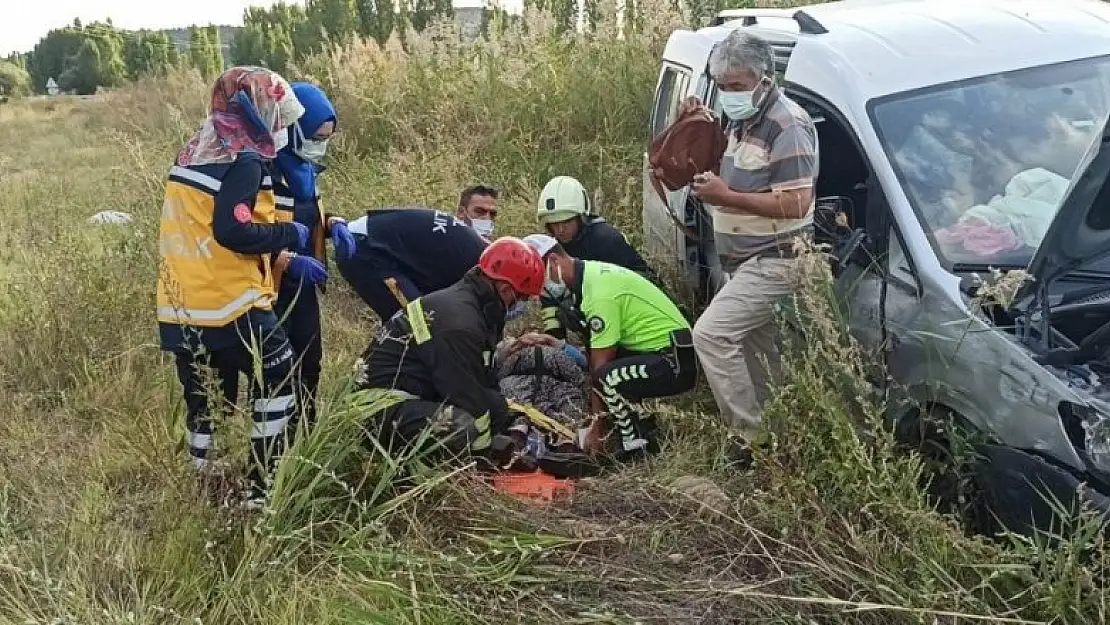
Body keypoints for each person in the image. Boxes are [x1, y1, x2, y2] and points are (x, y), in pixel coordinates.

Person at [156, 66, 314, 504]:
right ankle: (264, 491)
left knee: (208, 402)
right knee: (279, 380)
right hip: (233, 304)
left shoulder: (193, 150)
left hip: (181, 307)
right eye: (277, 113)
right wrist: (289, 235)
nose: (280, 126)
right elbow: (234, 231)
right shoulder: (243, 160)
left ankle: (209, 492)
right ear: (256, 107)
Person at [682, 31, 819, 467]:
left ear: (765, 79)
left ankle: (751, 441)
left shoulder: (788, 125)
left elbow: (797, 201)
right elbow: (724, 156)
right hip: (745, 262)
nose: (729, 95)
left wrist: (727, 198)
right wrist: (697, 121)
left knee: (711, 334)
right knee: (758, 351)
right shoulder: (742, 119)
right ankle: (782, 437)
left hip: (777, 259)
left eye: (737, 87)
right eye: (722, 86)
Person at [354, 236, 546, 463]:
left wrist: (505, 419)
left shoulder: (477, 308)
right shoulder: (460, 322)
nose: (521, 304)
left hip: (415, 391)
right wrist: (486, 458)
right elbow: (465, 394)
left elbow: (482, 377)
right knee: (461, 427)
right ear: (505, 289)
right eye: (522, 297)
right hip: (376, 409)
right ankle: (417, 477)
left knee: (495, 407)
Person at [524, 234, 697, 459]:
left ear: (554, 261)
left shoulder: (599, 295)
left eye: (538, 278)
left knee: (607, 377)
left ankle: (634, 448)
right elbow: (594, 350)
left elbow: (600, 367)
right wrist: (560, 345)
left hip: (674, 361)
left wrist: (597, 428)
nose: (540, 289)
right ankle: (640, 426)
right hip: (659, 352)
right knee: (606, 374)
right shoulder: (586, 278)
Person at [270, 81, 356, 432]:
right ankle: (276, 439)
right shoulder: (265, 171)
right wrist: (286, 259)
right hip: (271, 290)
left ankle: (305, 431)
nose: (320, 146)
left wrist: (334, 223)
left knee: (310, 362)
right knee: (277, 366)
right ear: (292, 129)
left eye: (326, 139)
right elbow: (247, 236)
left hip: (305, 286)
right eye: (315, 137)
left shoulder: (305, 171)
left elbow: (308, 212)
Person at [535, 175, 661, 341]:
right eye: (553, 224)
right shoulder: (553, 249)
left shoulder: (605, 240)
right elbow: (550, 299)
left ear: (581, 217)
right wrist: (554, 341)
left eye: (566, 222)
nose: (560, 230)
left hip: (636, 313)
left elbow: (639, 285)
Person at [335, 206, 491, 323]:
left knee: (421, 321)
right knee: (417, 324)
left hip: (375, 240)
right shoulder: (475, 265)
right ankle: (375, 365)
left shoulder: (481, 252)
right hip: (366, 248)